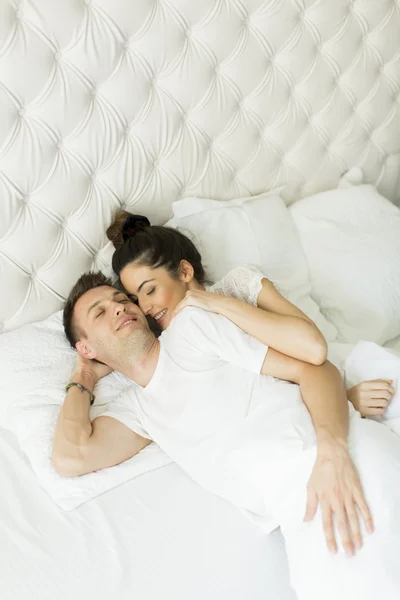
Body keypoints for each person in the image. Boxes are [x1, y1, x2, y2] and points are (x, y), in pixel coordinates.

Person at [53, 271, 400, 600]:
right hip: (301, 513)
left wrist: (332, 451)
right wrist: (83, 375)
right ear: (87, 348)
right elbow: (71, 457)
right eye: (100, 312)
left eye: (122, 300)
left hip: (339, 456)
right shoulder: (138, 410)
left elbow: (314, 367)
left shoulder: (190, 331)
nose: (120, 307)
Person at [107, 212, 395, 418]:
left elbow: (313, 347)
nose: (144, 308)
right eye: (135, 299)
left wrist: (215, 302)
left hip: (339, 377)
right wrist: (345, 403)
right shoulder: (173, 346)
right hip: (322, 407)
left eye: (150, 290)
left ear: (184, 271)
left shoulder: (239, 285)